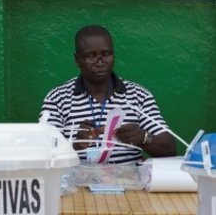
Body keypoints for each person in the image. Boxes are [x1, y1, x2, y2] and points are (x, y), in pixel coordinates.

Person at [40, 24, 176, 164]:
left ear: (113, 55)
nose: (100, 62)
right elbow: (44, 154)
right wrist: (74, 146)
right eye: (91, 56)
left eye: (106, 54)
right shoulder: (57, 99)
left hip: (130, 183)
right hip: (76, 184)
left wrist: (143, 137)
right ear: (77, 60)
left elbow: (170, 149)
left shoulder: (139, 96)